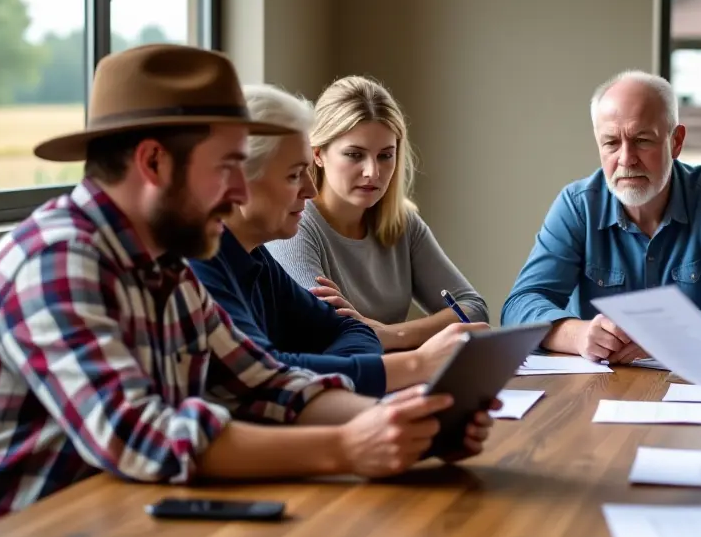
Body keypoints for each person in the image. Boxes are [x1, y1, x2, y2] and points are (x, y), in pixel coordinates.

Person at [0, 45, 496, 537]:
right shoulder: (56, 262)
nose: (240, 191)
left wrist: (407, 426)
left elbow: (262, 383)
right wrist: (349, 447)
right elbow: (143, 436)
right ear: (153, 163)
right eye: (227, 167)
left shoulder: (167, 268)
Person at [190, 84, 482, 397]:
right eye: (293, 175)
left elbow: (351, 330)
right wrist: (416, 363)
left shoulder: (257, 257)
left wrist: (372, 350)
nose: (309, 190)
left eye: (385, 156)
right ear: (237, 179)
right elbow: (269, 373)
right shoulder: (201, 264)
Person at [501, 70, 701, 363]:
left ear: (675, 141)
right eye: (611, 143)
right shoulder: (578, 205)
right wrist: (578, 334)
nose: (626, 158)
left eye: (642, 140)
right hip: (600, 389)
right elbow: (519, 306)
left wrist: (663, 337)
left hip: (696, 383)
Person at [266, 75, 488, 350]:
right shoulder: (295, 225)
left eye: (385, 155)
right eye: (354, 154)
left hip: (400, 376)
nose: (373, 172)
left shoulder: (403, 223)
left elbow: (474, 309)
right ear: (318, 154)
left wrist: (391, 334)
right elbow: (325, 331)